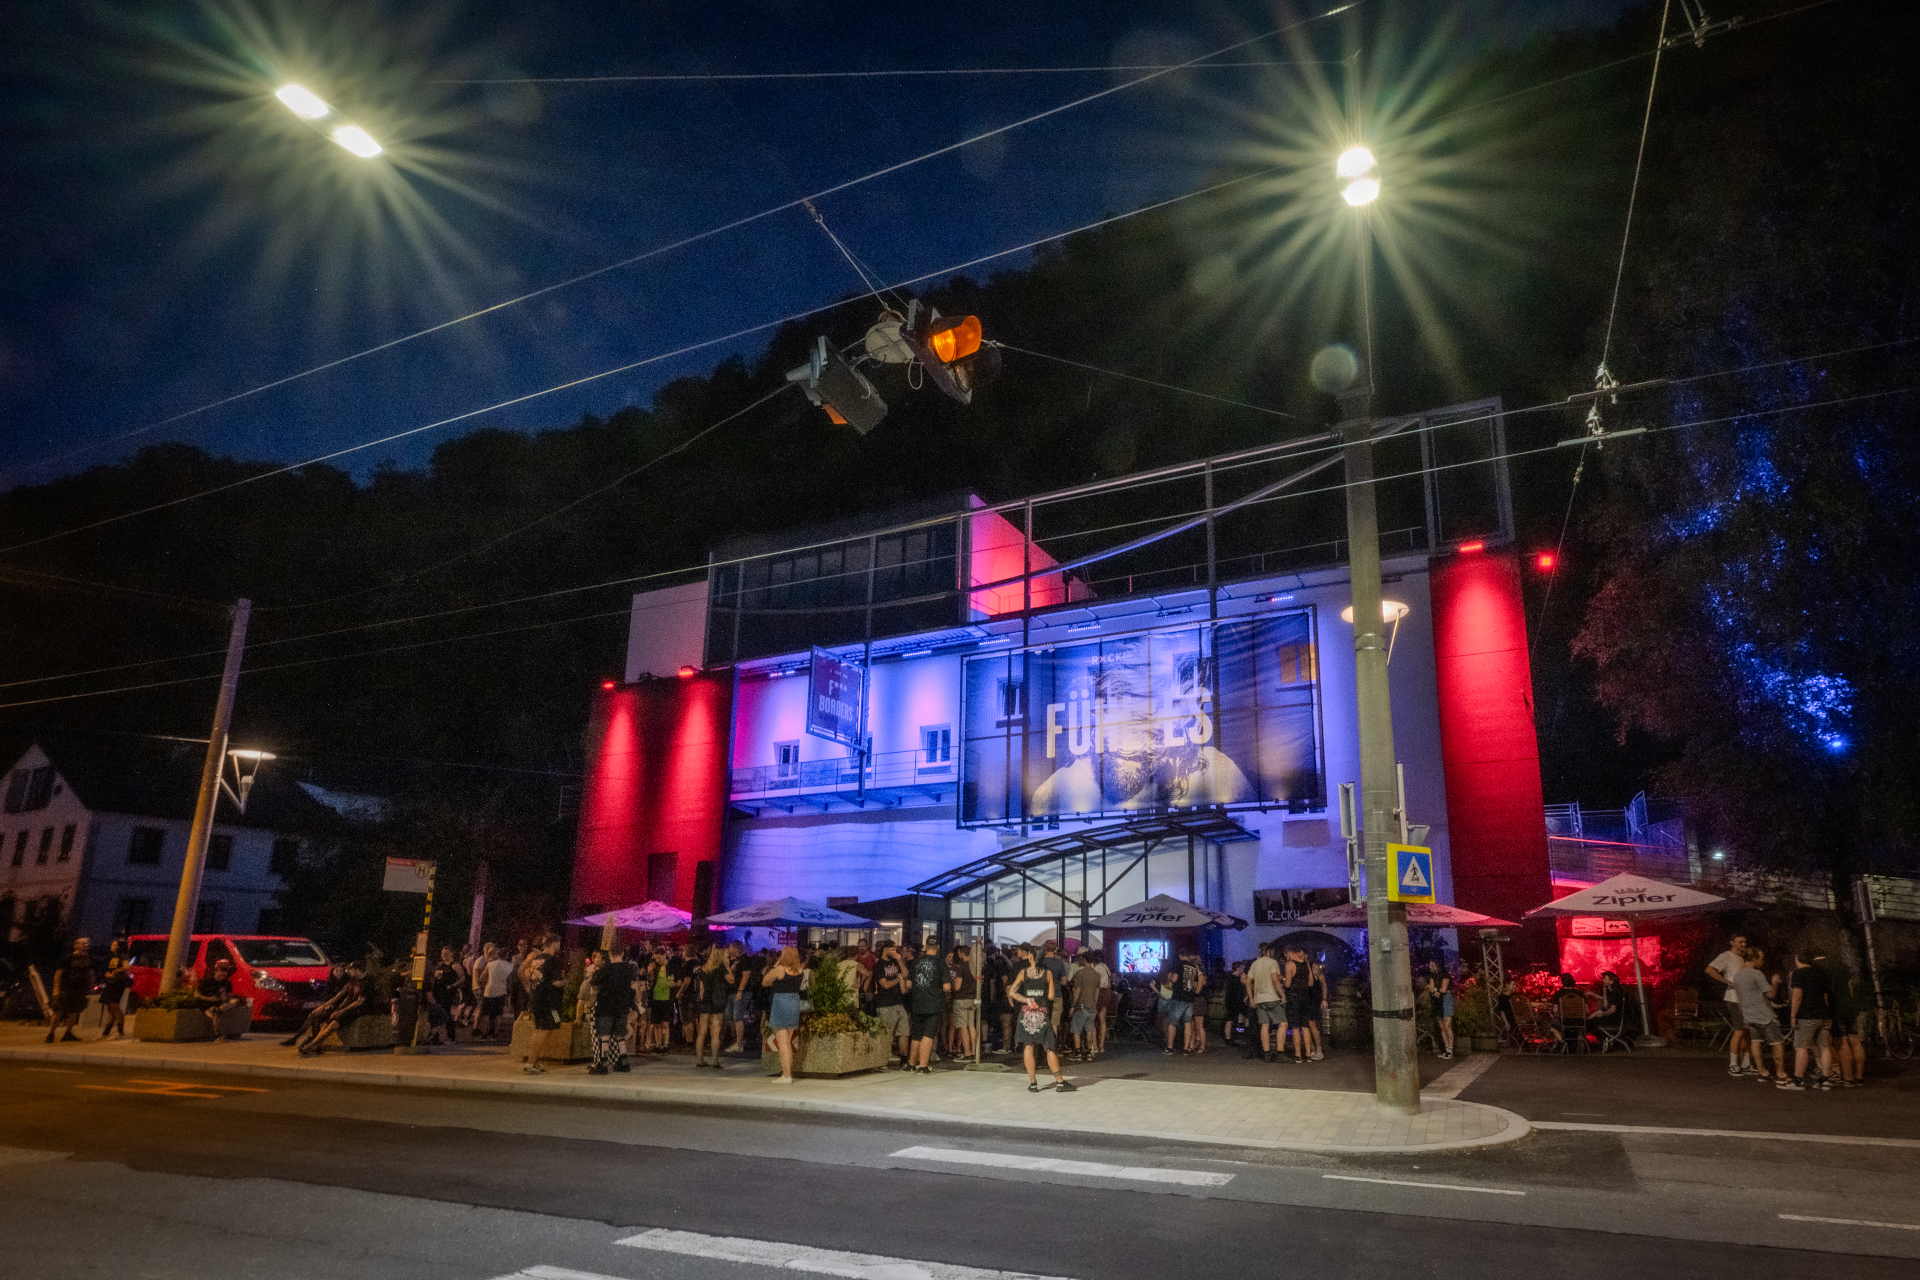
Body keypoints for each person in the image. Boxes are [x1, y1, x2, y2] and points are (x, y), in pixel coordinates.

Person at [1008, 943, 1075, 1093]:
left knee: (1028, 1046)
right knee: (1048, 1046)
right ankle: (1059, 1082)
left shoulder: (1023, 973)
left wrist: (1026, 999)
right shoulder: (1047, 974)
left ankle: (1033, 1084)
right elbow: (1051, 996)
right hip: (1042, 1013)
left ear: (1031, 956)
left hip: (1026, 1013)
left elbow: (1012, 992)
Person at [1729, 950, 1786, 1083]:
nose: (1762, 961)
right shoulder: (1756, 974)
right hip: (1764, 1015)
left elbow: (1740, 998)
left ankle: (1762, 1072)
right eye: (1761, 959)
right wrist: (1774, 982)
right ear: (1754, 959)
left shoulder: (1737, 976)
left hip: (1749, 1015)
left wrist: (1744, 1015)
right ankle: (1781, 1074)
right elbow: (1770, 994)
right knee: (1777, 1042)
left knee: (1756, 1042)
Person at [1812, 948, 1864, 1088]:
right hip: (1849, 1005)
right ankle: (1859, 1077)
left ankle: (1847, 1078)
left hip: (1835, 1007)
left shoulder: (1816, 968)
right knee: (1855, 1040)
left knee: (1842, 1041)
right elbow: (1850, 986)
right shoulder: (1840, 964)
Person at [587, 942, 642, 1075]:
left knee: (604, 1036)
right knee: (620, 1035)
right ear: (623, 954)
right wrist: (635, 1005)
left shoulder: (604, 970)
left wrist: (590, 1004)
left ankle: (603, 1064)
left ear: (610, 954)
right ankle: (624, 1062)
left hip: (605, 1005)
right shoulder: (629, 969)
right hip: (622, 1007)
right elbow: (636, 987)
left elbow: (594, 987)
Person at [1784, 949, 1835, 1091]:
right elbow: (1825, 996)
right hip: (1823, 1014)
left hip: (1807, 1015)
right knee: (1824, 1047)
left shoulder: (1798, 974)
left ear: (1797, 959)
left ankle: (1798, 1081)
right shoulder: (1821, 973)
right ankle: (1825, 1080)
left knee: (1801, 1047)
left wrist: (1793, 1016)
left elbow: (1797, 996)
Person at [1706, 935, 1754, 1076]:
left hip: (1745, 998)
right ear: (1732, 942)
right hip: (1734, 997)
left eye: (1745, 942)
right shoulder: (1726, 956)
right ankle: (1733, 1064)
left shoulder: (1742, 957)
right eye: (1740, 942)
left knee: (1747, 1031)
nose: (1743, 944)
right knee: (1739, 1030)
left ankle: (1745, 1064)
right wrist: (1727, 981)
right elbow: (1709, 969)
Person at [295, 969, 368, 1056]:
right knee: (326, 1022)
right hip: (347, 1008)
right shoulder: (353, 981)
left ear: (357, 970)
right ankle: (313, 1044)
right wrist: (338, 1010)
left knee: (334, 1023)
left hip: (359, 1010)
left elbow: (359, 1002)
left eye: (351, 970)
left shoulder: (366, 982)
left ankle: (312, 1045)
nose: (349, 972)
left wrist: (341, 1011)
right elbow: (346, 997)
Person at [762, 946, 806, 1083]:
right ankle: (787, 1073)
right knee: (788, 1041)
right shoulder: (800, 970)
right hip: (794, 1001)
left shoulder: (780, 969)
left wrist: (777, 964)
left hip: (781, 1002)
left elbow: (765, 982)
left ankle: (786, 1075)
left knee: (783, 1043)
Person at [906, 939, 951, 1074]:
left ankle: (911, 1064)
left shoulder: (916, 962)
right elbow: (946, 986)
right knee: (928, 1035)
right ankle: (923, 1066)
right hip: (934, 1004)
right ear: (937, 947)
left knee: (916, 1035)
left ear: (926, 946)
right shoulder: (940, 963)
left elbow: (908, 984)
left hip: (917, 1003)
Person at [523, 935, 565, 1075]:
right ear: (554, 944)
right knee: (545, 1030)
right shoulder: (553, 960)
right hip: (549, 1002)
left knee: (538, 1030)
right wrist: (567, 981)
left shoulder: (537, 959)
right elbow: (556, 982)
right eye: (558, 943)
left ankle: (533, 1061)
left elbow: (527, 973)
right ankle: (531, 1063)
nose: (559, 946)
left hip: (536, 999)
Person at [46, 938, 94, 1044]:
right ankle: (51, 1034)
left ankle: (68, 1033)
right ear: (76, 945)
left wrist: (90, 988)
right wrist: (56, 989)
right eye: (83, 943)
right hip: (65, 988)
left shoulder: (88, 959)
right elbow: (58, 973)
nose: (86, 945)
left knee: (73, 1012)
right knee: (57, 1011)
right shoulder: (68, 958)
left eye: (87, 943)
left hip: (79, 990)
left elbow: (90, 974)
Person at [693, 948, 734, 1069]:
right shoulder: (721, 967)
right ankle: (715, 1062)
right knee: (715, 1034)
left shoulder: (705, 968)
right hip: (717, 1002)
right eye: (726, 954)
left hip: (705, 1002)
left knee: (701, 1033)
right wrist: (727, 966)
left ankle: (700, 1060)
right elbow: (731, 980)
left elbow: (701, 988)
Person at [872, 941, 911, 1065]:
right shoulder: (879, 965)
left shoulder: (895, 961)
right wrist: (898, 979)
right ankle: (882, 1059)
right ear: (886, 949)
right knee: (887, 1034)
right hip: (886, 1004)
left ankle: (904, 1058)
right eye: (893, 949)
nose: (895, 952)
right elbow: (885, 984)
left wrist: (899, 961)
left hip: (899, 1002)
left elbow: (906, 974)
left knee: (904, 1031)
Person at [1245, 942, 1285, 1062]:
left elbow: (1247, 982)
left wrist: (1251, 998)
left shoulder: (1255, 964)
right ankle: (1280, 1053)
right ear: (1269, 952)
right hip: (1271, 997)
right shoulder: (1273, 962)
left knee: (1264, 1025)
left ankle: (1266, 1053)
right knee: (1283, 1023)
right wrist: (1282, 995)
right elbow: (1275, 980)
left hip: (1259, 999)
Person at [197, 957, 248, 1041]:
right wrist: (208, 999)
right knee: (217, 1013)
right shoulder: (208, 982)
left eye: (224, 975)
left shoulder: (226, 983)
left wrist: (225, 997)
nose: (223, 976)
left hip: (221, 1004)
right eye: (221, 974)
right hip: (208, 1004)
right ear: (216, 972)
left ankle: (219, 1012)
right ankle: (219, 1035)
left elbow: (229, 997)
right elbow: (197, 994)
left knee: (234, 1002)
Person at [1281, 946, 1315, 1063]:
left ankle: (1298, 1055)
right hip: (1305, 998)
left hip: (1294, 999)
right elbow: (1311, 983)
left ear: (1289, 953)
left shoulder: (1289, 964)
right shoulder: (1306, 964)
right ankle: (1308, 1054)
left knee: (1295, 1027)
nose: (1286, 957)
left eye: (1286, 955)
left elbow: (1288, 984)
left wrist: (1282, 979)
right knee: (1305, 1026)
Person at [1068, 950, 1102, 1061]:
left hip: (1081, 1005)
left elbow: (1077, 991)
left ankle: (1077, 1053)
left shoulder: (1080, 974)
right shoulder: (1097, 974)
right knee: (1089, 1030)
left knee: (1076, 1030)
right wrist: (1094, 1004)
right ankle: (1088, 1053)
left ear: (1084, 959)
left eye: (1081, 959)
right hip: (1092, 1006)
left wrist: (1073, 1005)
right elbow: (1097, 992)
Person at [947, 947, 979, 1061]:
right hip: (973, 999)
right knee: (972, 1025)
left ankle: (967, 1053)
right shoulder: (975, 967)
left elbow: (957, 986)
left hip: (961, 999)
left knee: (963, 1027)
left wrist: (952, 988)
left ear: (961, 954)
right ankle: (974, 1053)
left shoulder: (961, 968)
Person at [477, 943, 515, 1039]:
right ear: (506, 955)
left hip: (489, 991)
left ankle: (484, 1033)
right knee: (498, 1014)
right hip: (501, 992)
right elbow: (510, 979)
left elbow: (481, 978)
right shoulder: (509, 966)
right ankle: (495, 1033)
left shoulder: (490, 964)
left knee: (486, 1014)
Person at [983, 944, 1013, 1055]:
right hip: (1004, 998)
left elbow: (1005, 984)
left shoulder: (1003, 971)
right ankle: (1006, 1046)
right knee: (1005, 1023)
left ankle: (1006, 1047)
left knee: (1006, 1023)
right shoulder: (1006, 969)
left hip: (1004, 999)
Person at [1039, 940, 1070, 1038]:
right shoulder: (1060, 963)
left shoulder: (1040, 962)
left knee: (1042, 1021)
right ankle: (1051, 1048)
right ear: (1055, 949)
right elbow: (1064, 982)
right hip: (1057, 994)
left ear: (1044, 948)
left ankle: (1042, 1049)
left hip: (1043, 995)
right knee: (1054, 1023)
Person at [97, 956, 132, 1040]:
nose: (112, 945)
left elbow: (126, 967)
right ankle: (106, 1033)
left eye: (114, 944)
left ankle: (120, 1032)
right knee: (109, 1008)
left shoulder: (122, 955)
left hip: (117, 983)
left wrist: (115, 972)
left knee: (115, 1006)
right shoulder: (112, 956)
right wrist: (108, 973)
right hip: (110, 982)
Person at [1429, 961, 1455, 1060]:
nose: (1430, 967)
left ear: (1437, 965)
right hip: (1437, 1000)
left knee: (1447, 1025)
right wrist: (1434, 991)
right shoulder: (1432, 975)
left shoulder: (1445, 975)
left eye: (1432, 965)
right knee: (1442, 1026)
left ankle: (1450, 1050)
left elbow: (1444, 989)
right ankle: (1446, 1049)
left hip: (1445, 999)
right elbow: (1431, 988)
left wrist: (1435, 990)